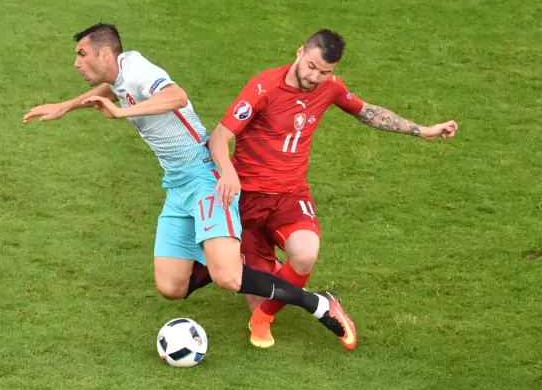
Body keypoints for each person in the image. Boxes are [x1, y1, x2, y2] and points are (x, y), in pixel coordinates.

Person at [23, 23, 357, 349]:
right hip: (177, 185)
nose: (77, 62)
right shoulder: (123, 73)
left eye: (82, 54)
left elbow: (177, 97)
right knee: (172, 286)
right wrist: (66, 106)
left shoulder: (137, 68)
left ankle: (319, 304)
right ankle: (225, 253)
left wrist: (123, 114)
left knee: (229, 278)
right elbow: (113, 89)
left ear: (105, 53)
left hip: (203, 177)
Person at [208, 28, 458, 349]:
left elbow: (368, 112)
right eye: (311, 66)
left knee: (304, 255)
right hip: (248, 201)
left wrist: (422, 130)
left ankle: (264, 318)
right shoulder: (263, 87)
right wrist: (227, 171)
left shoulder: (330, 87)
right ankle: (296, 294)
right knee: (257, 293)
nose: (315, 77)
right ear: (299, 52)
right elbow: (218, 137)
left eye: (324, 72)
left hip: (291, 196)